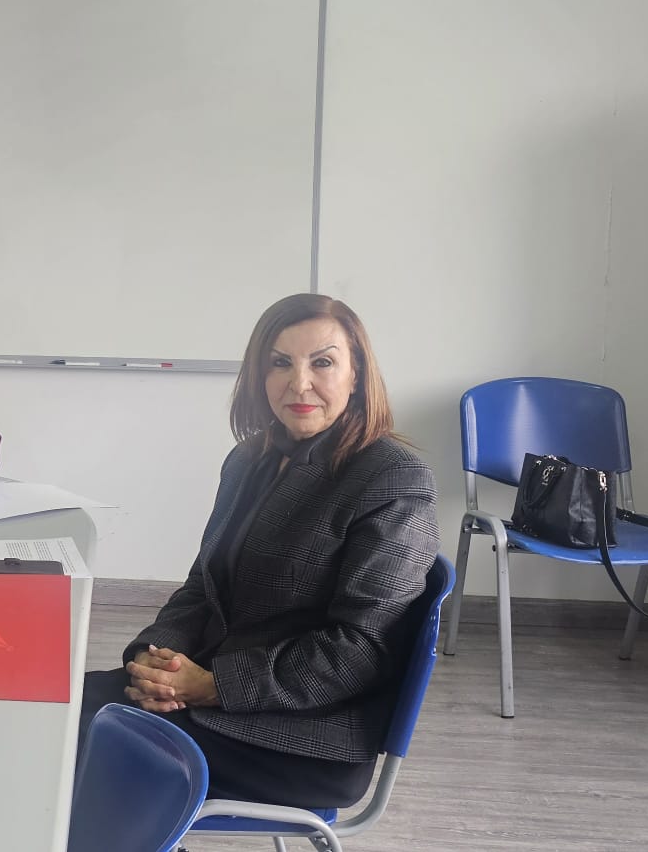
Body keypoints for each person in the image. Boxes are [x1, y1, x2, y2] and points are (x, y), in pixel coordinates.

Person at [76, 293, 439, 809]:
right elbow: (203, 586)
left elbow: (361, 650)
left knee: (80, 744)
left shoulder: (392, 477)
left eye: (323, 363)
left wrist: (212, 686)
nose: (299, 383)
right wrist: (152, 660)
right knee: (53, 709)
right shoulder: (249, 459)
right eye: (280, 363)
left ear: (356, 375)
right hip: (209, 691)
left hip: (303, 739)